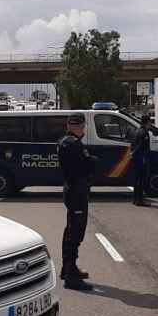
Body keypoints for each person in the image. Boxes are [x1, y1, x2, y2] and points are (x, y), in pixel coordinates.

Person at [57, 114, 98, 291]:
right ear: (80, 126)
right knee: (75, 233)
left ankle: (67, 269)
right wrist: (93, 161)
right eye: (83, 126)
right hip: (77, 190)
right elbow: (85, 165)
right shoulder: (74, 144)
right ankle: (71, 276)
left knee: (70, 230)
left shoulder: (63, 141)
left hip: (71, 189)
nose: (83, 129)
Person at [130, 114, 152, 207]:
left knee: (137, 179)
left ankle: (135, 199)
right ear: (147, 122)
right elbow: (140, 146)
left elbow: (133, 144)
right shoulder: (144, 133)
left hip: (136, 158)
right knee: (141, 179)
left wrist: (132, 153)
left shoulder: (137, 131)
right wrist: (140, 157)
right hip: (140, 158)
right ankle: (140, 200)